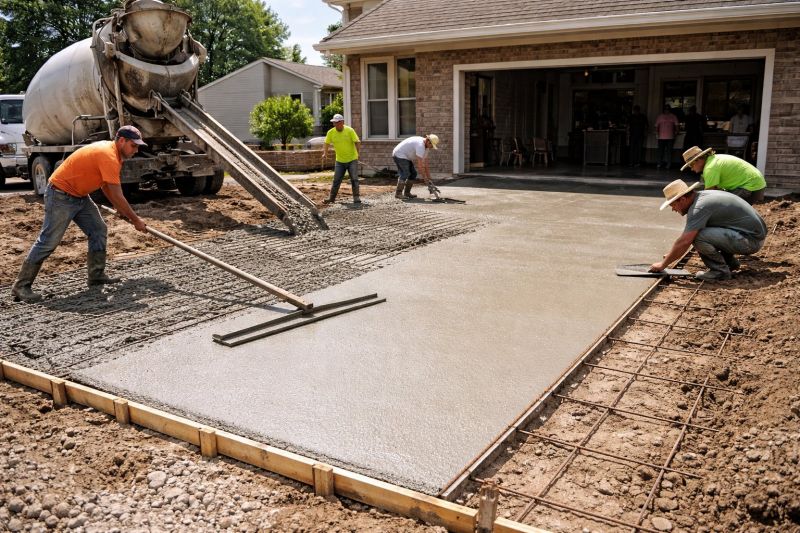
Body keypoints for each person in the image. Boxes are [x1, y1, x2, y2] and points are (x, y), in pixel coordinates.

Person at [11, 126, 148, 303]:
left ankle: (96, 275)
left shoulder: (114, 154)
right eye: (133, 145)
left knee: (98, 229)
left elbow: (107, 186)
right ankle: (21, 286)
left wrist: (121, 209)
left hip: (79, 196)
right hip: (60, 195)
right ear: (121, 140)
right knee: (48, 241)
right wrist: (135, 220)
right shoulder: (108, 155)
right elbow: (116, 192)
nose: (136, 150)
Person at [649, 179, 766, 281]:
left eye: (673, 205)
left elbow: (685, 241)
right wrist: (671, 254)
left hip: (750, 242)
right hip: (752, 235)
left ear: (683, 199)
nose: (673, 210)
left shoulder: (698, 208)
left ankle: (720, 272)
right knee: (703, 230)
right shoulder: (703, 196)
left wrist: (663, 265)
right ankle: (730, 264)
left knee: (698, 236)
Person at [681, 146, 766, 204]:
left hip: (750, 187)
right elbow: (716, 189)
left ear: (698, 160)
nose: (691, 169)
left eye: (691, 165)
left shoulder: (710, 168)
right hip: (756, 183)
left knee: (723, 207)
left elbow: (708, 195)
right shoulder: (714, 159)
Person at [321, 113, 361, 204]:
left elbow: (357, 142)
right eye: (334, 122)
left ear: (342, 122)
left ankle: (356, 197)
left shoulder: (349, 130)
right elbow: (326, 143)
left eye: (337, 122)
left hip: (352, 159)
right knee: (336, 180)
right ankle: (331, 198)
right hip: (339, 161)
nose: (335, 124)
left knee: (354, 179)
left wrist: (358, 153)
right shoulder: (331, 132)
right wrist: (325, 153)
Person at [391, 134, 439, 199]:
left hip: (406, 156)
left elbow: (426, 165)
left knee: (413, 174)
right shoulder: (420, 145)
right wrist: (425, 179)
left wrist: (429, 178)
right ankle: (398, 194)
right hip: (399, 154)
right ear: (428, 141)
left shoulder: (426, 148)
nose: (431, 147)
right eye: (431, 145)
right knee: (405, 173)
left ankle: (407, 193)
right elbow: (420, 165)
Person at [654, 105, 679, 169]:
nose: (666, 110)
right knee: (660, 151)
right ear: (664, 110)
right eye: (665, 109)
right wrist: (656, 133)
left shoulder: (673, 116)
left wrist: (676, 132)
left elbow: (677, 125)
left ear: (669, 110)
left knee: (669, 152)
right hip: (661, 137)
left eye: (668, 109)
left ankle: (669, 164)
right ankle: (659, 163)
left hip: (670, 137)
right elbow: (656, 126)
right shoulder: (660, 116)